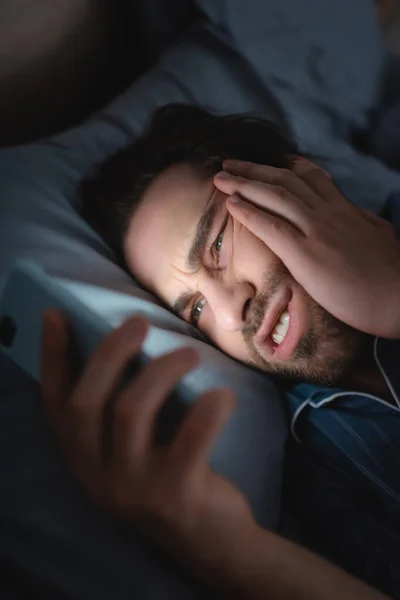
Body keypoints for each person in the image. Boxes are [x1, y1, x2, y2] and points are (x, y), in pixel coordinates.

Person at [42, 104, 400, 598]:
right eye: (194, 310)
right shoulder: (319, 463)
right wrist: (229, 552)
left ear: (296, 182)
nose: (233, 312)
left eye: (216, 245)